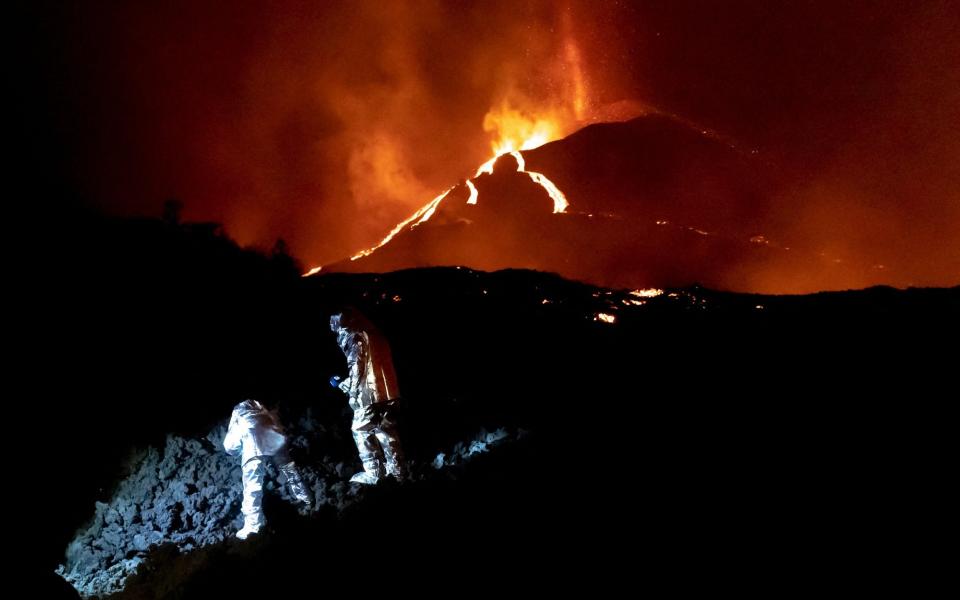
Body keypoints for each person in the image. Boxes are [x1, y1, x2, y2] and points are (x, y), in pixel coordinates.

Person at [330, 308, 406, 484]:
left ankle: (374, 473)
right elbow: (374, 366)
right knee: (386, 431)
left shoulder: (354, 335)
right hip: (389, 393)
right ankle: (398, 472)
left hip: (369, 395)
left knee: (360, 430)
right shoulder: (375, 333)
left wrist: (354, 394)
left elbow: (357, 366)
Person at [223, 399, 312, 539]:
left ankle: (253, 527)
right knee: (290, 470)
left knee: (252, 487)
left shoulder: (238, 415)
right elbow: (280, 428)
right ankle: (306, 497)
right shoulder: (263, 410)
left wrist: (239, 450)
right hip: (275, 439)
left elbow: (229, 446)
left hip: (253, 446)